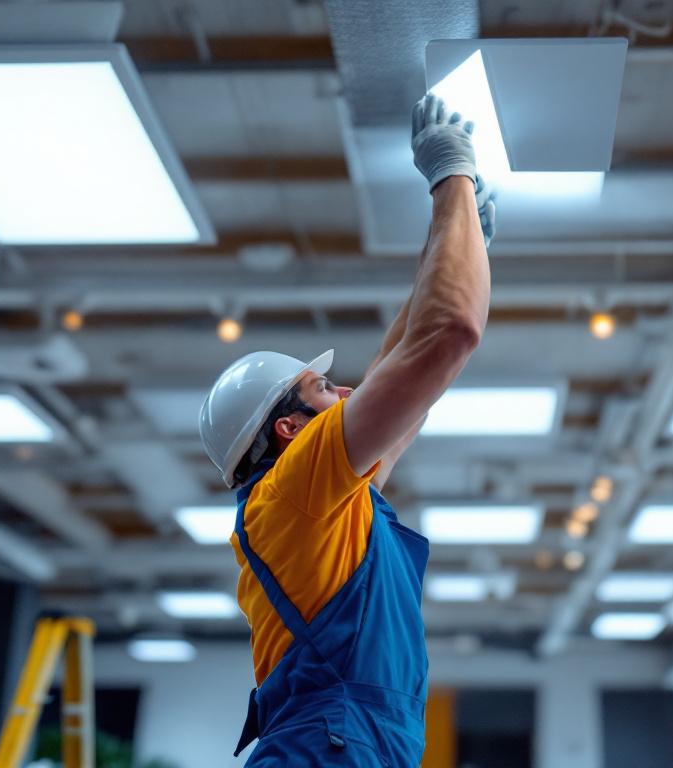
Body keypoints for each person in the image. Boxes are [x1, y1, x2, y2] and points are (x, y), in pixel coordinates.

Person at [196, 93, 494, 766]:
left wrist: (454, 241)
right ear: (288, 431)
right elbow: (451, 333)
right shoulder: (296, 491)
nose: (351, 389)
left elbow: (404, 378)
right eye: (324, 389)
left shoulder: (320, 506)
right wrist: (454, 178)